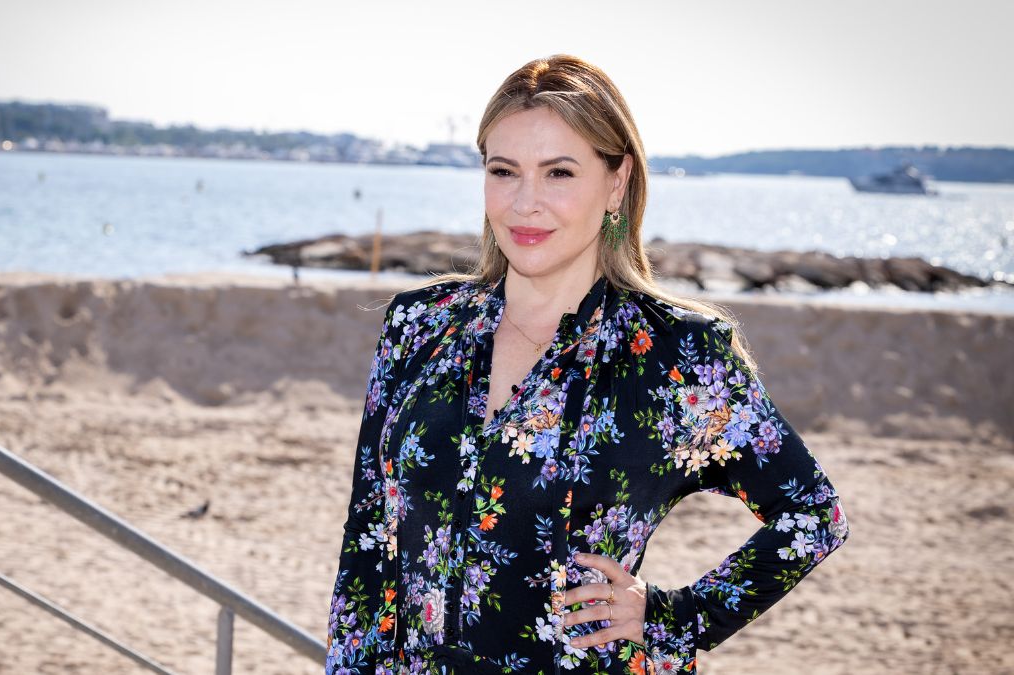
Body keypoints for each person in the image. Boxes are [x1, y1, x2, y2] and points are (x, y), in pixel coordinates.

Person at [324, 54, 851, 675]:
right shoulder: (418, 327)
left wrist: (671, 617)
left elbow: (813, 514)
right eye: (504, 171)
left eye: (560, 173)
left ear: (617, 181)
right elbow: (367, 545)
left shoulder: (679, 354)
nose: (525, 203)